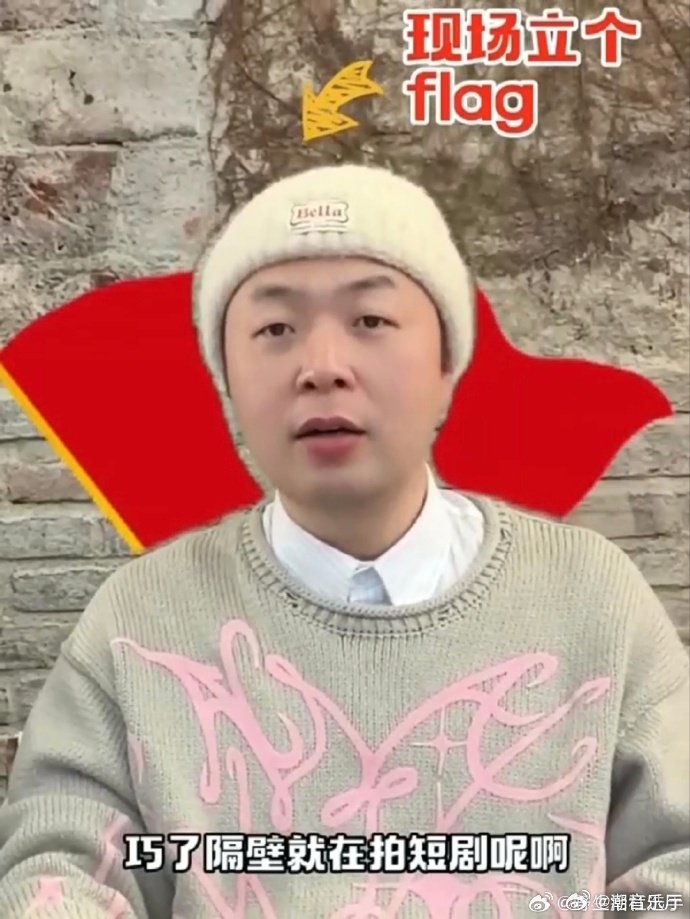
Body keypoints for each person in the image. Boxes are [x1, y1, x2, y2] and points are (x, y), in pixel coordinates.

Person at [0, 164, 687, 918]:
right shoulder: (139, 621)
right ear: (226, 376)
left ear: (448, 363)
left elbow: (673, 872)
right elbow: (57, 866)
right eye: (275, 329)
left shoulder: (593, 600)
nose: (322, 368)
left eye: (370, 321)